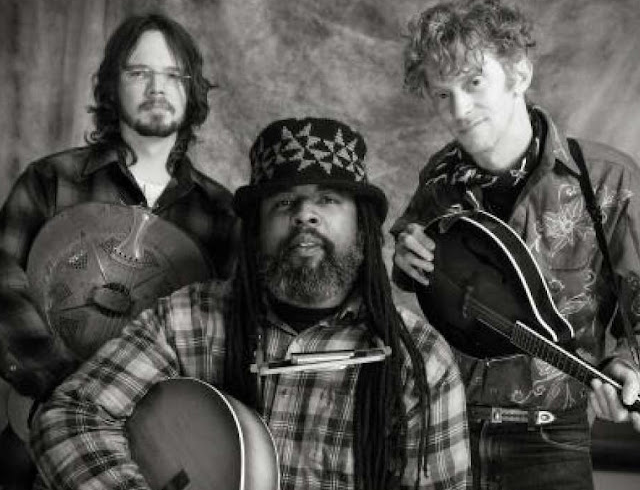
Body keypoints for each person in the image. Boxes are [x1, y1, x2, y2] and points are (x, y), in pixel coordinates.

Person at [29, 116, 471, 490]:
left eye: (327, 199)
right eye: (284, 202)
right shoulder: (187, 319)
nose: (304, 215)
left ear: (362, 227)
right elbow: (70, 415)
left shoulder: (421, 361)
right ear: (257, 229)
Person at [391, 0, 640, 490]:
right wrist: (405, 257)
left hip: (551, 440)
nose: (459, 110)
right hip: (444, 430)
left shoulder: (608, 180)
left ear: (519, 74)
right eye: (442, 94)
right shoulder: (438, 179)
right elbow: (415, 260)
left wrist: (628, 367)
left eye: (473, 83)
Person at [0, 12, 237, 488]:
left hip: (162, 442)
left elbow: (227, 334)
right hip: (41, 427)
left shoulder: (221, 214)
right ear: (112, 85)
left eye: (173, 75)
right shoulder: (50, 181)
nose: (157, 87)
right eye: (139, 72)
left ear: (192, 90)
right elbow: (1, 284)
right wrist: (66, 387)